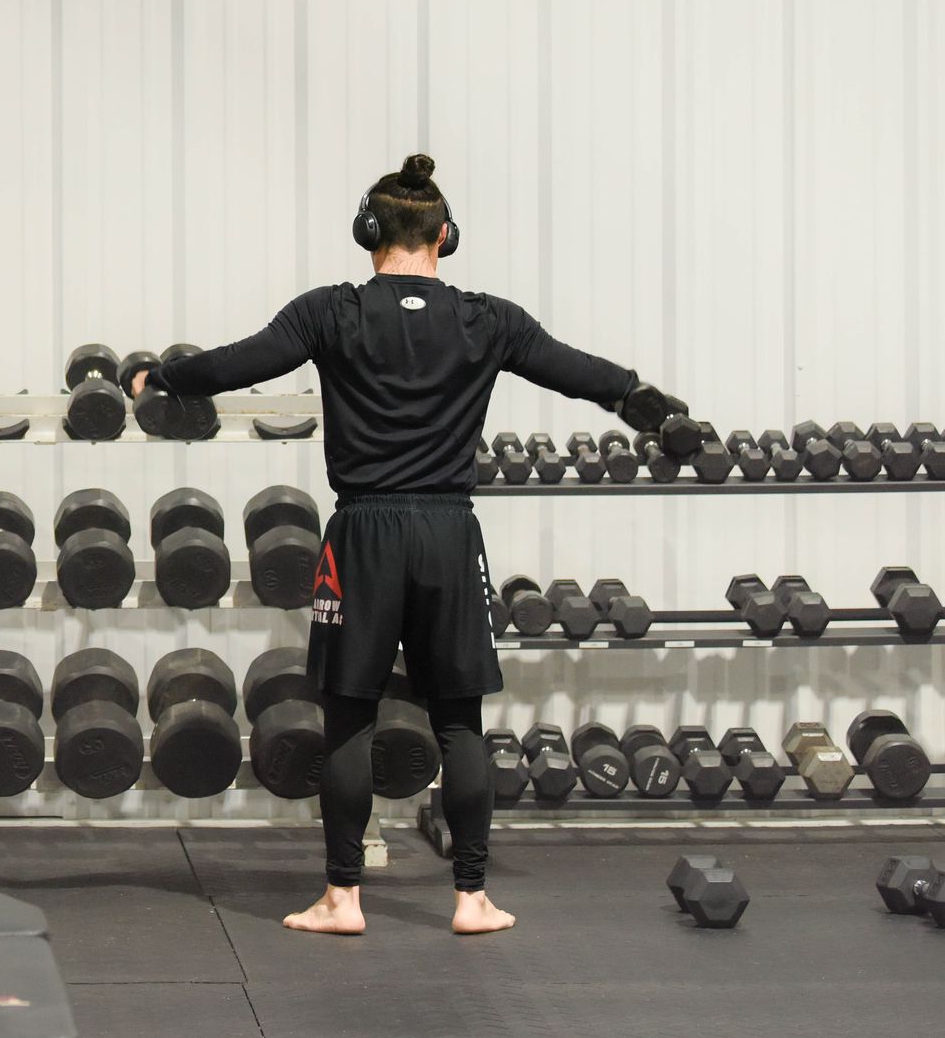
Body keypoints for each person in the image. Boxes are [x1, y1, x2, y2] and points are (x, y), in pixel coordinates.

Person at [132, 153, 690, 936]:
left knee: (351, 718)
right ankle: (472, 898)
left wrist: (160, 380)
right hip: (448, 533)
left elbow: (238, 363)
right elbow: (581, 374)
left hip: (363, 531)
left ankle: (343, 898)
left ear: (369, 234)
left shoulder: (331, 311)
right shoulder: (487, 318)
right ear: (445, 236)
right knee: (459, 720)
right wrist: (652, 407)